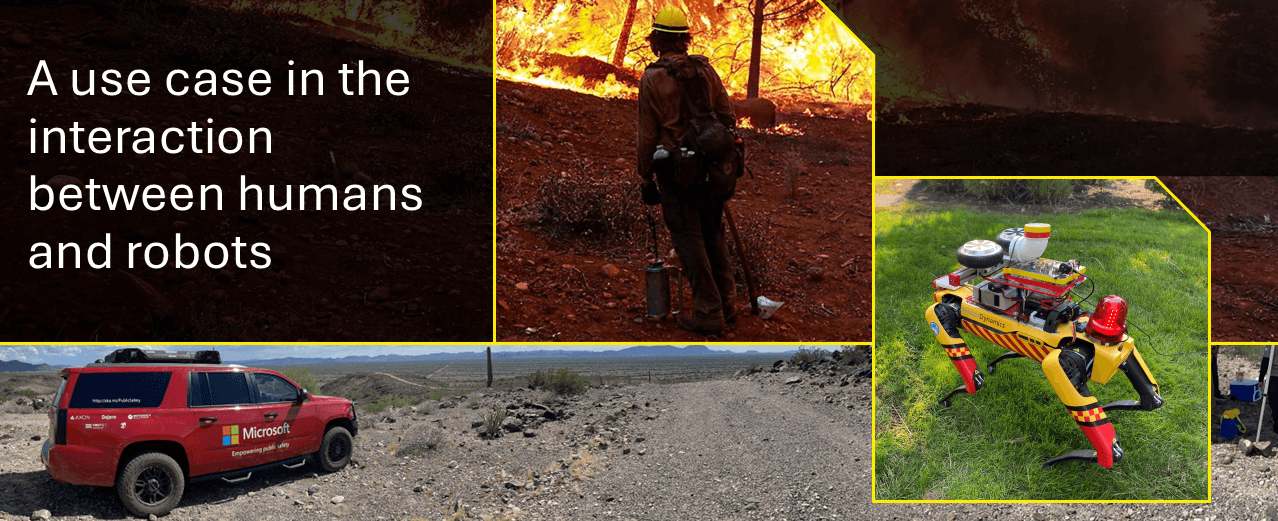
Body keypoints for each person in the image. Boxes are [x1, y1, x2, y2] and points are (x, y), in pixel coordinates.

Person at [637, 7, 741, 336]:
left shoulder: (653, 78)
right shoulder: (705, 71)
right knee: (713, 232)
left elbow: (647, 136)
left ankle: (709, 313)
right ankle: (727, 305)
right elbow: (727, 116)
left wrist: (644, 175)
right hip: (712, 168)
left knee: (688, 239)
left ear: (656, 40)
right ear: (684, 40)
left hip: (676, 173)